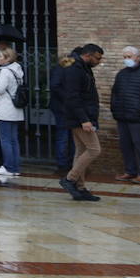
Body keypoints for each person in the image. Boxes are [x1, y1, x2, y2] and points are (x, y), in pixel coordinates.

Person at [57, 43, 105, 201]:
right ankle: (70, 179)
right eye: (97, 58)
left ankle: (80, 188)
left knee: (80, 151)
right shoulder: (74, 69)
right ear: (88, 55)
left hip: (81, 116)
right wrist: (84, 120)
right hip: (78, 118)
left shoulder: (83, 67)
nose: (99, 61)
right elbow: (73, 97)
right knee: (94, 149)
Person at [111, 45, 140, 183]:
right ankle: (129, 171)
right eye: (124, 57)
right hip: (122, 115)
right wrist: (114, 108)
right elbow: (115, 92)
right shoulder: (121, 74)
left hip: (137, 116)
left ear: (137, 57)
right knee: (125, 145)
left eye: (129, 56)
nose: (126, 59)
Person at [0, 46, 26, 178]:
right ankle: (14, 167)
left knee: (6, 140)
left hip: (4, 110)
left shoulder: (5, 72)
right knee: (13, 139)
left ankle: (8, 167)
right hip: (14, 111)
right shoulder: (17, 70)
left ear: (7, 58)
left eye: (0, 56)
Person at [48, 49, 77, 173]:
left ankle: (69, 162)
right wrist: (68, 98)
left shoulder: (70, 69)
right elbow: (55, 86)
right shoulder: (61, 69)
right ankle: (63, 164)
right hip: (62, 107)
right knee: (64, 136)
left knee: (70, 136)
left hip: (69, 107)